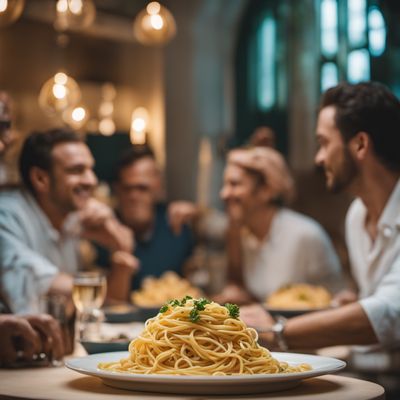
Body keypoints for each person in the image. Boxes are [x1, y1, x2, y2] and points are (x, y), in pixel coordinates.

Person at [240, 81, 400, 356]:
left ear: (360, 144)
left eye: (324, 143)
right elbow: (378, 304)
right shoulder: (357, 216)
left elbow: (390, 312)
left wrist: (276, 333)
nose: (318, 158)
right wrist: (356, 302)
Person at [0, 128, 138, 314]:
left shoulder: (72, 218)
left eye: (90, 169)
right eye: (77, 170)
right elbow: (53, 288)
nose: (92, 180)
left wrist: (120, 246)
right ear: (40, 178)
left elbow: (112, 303)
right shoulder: (6, 215)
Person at [214, 146, 343, 305]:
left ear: (267, 190)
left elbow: (336, 302)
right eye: (225, 185)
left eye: (234, 184)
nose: (224, 194)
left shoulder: (305, 235)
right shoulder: (244, 235)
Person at [96, 145, 195, 298]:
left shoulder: (176, 224)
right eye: (127, 188)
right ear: (117, 190)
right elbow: (110, 304)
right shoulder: (103, 233)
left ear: (158, 188)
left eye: (142, 188)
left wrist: (199, 212)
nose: (134, 196)